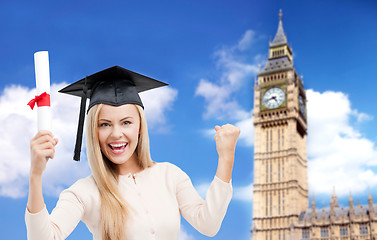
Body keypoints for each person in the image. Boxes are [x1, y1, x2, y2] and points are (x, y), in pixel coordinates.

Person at [25, 66, 240, 240]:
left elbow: (209, 224)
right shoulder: (85, 192)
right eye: (105, 124)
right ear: (93, 132)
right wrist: (35, 175)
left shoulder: (170, 175)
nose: (116, 134)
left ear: (140, 127)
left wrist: (226, 157)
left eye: (126, 122)